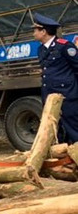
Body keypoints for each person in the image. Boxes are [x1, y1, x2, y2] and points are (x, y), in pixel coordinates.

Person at [34, 13, 78, 143]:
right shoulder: (41, 50)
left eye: (36, 30)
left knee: (73, 127)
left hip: (67, 95)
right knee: (54, 128)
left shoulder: (64, 46)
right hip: (49, 95)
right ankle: (64, 159)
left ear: (44, 32)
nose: (33, 33)